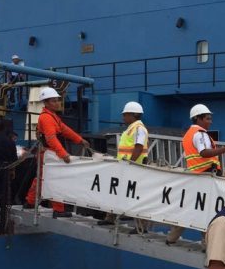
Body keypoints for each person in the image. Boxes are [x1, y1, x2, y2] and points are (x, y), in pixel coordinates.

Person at [167, 103, 225, 244]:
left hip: (196, 176)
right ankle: (207, 243)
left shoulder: (188, 134)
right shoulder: (200, 134)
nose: (210, 121)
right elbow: (204, 152)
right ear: (198, 118)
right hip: (206, 176)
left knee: (193, 208)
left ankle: (172, 237)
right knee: (207, 210)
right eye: (207, 118)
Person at [24, 87, 91, 218]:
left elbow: (65, 130)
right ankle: (58, 210)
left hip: (48, 154)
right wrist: (63, 154)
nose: (57, 103)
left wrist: (80, 140)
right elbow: (51, 138)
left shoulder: (52, 117)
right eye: (54, 101)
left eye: (57, 100)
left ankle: (30, 202)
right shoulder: (47, 118)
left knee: (41, 179)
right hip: (50, 155)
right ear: (46, 103)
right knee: (56, 180)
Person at [99, 101, 149, 231]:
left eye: (125, 114)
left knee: (136, 196)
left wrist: (130, 163)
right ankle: (110, 217)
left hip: (134, 168)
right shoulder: (132, 128)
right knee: (116, 191)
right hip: (125, 167)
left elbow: (138, 147)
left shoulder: (139, 129)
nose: (123, 117)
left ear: (133, 115)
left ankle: (141, 226)